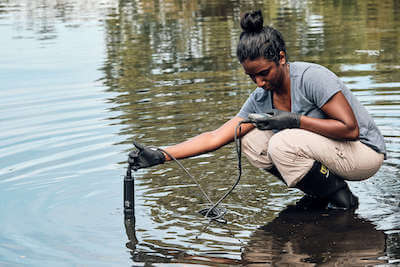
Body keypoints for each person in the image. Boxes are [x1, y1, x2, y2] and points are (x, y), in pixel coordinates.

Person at [129, 10, 386, 210]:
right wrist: (162, 154)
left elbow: (350, 129)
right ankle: (327, 193)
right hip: (332, 152)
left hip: (364, 154)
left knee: (283, 141)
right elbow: (215, 137)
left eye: (264, 73)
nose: (260, 83)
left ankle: (341, 200)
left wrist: (295, 120)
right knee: (249, 138)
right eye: (252, 77)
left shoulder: (312, 78)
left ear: (281, 58)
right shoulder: (262, 96)